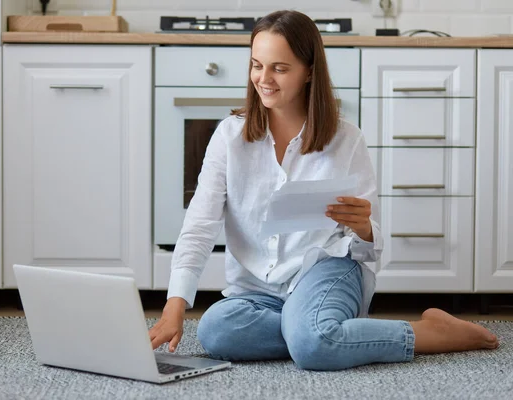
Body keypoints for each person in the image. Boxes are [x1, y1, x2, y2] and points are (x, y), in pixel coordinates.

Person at [148, 10, 499, 371]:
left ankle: (431, 333)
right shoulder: (228, 137)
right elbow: (200, 225)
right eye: (256, 65)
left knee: (313, 346)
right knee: (216, 331)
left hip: (327, 269)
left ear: (309, 71)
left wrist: (363, 226)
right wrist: (175, 305)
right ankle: (320, 330)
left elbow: (368, 246)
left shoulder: (345, 138)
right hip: (259, 291)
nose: (263, 79)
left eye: (279, 68)